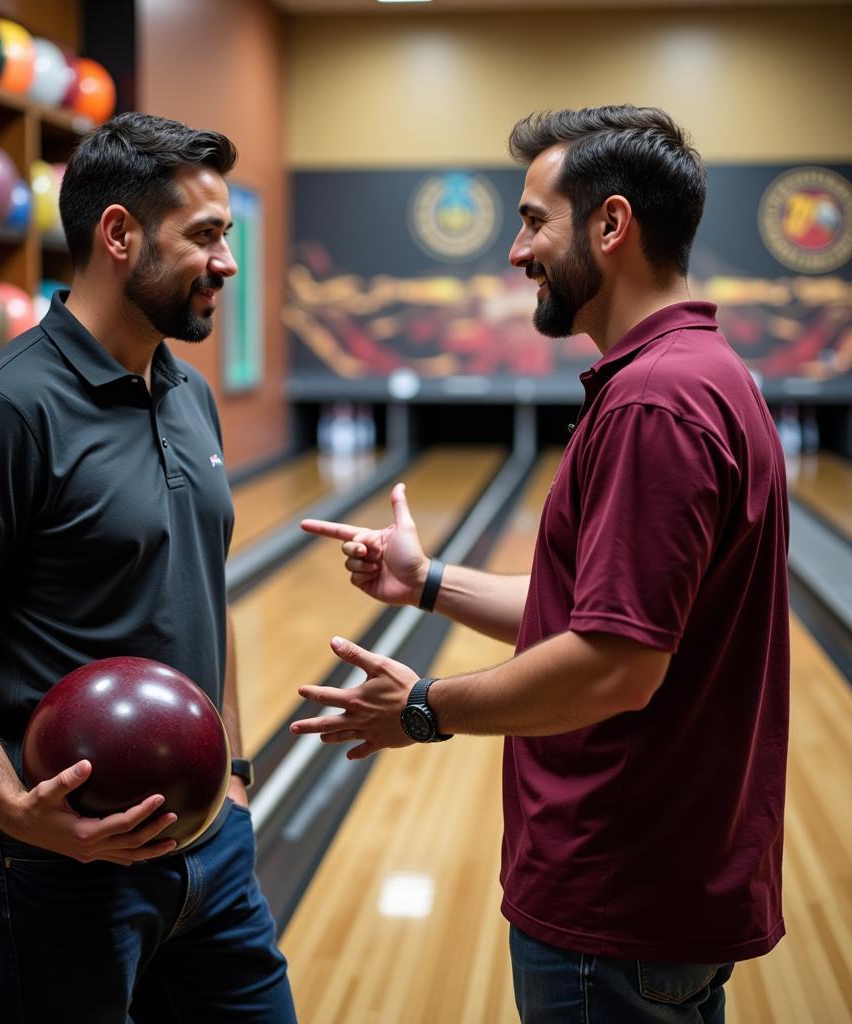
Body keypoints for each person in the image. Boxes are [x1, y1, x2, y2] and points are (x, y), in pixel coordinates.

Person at [293, 105, 789, 1023]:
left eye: (532, 221)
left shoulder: (654, 403)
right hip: (655, 894)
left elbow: (612, 668)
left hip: (615, 901)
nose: (517, 253)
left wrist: (422, 707)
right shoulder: (704, 372)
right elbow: (604, 614)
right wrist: (429, 583)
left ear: (611, 225)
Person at [0, 112, 296, 1023]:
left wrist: (234, 772)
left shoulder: (188, 395)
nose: (227, 262)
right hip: (53, 863)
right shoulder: (5, 409)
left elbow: (201, 587)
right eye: (207, 236)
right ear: (119, 235)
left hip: (207, 850)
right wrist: (12, 806)